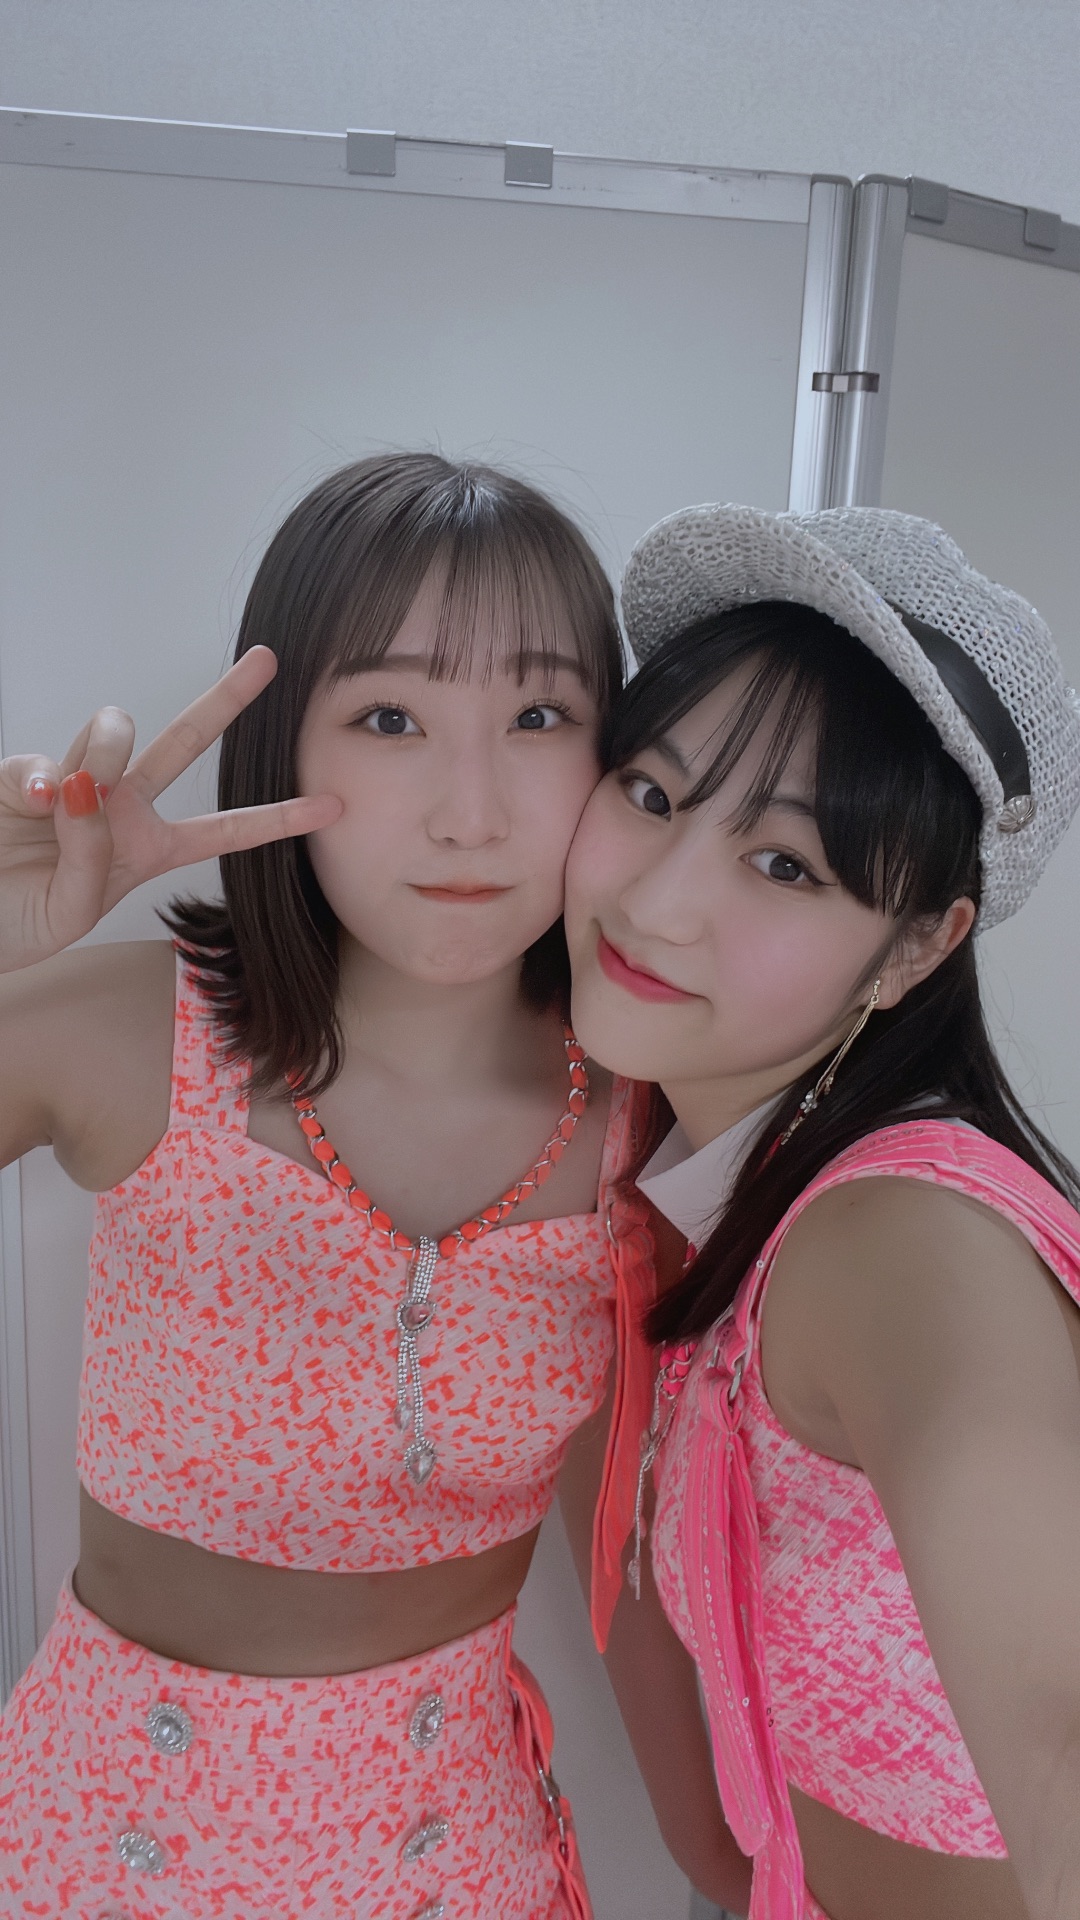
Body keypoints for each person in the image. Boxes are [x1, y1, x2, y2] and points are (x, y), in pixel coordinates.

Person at [0, 454, 733, 1918]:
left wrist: (729, 1860)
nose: (470, 814)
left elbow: (633, 1555)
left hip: (456, 1866)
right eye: (392, 719)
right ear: (285, 747)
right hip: (100, 1853)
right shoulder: (125, 1035)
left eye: (539, 717)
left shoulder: (651, 1129)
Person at [565, 503, 1080, 1920]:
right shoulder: (693, 1191)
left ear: (917, 947)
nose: (659, 902)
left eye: (786, 863)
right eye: (652, 793)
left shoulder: (896, 1234)